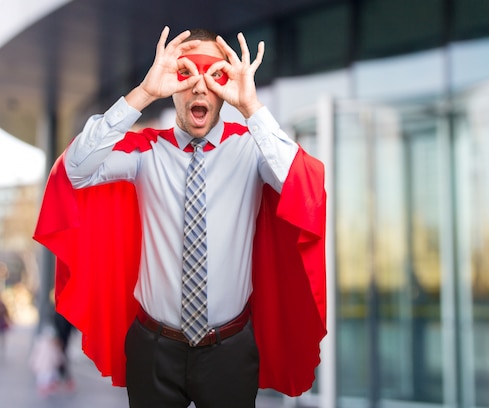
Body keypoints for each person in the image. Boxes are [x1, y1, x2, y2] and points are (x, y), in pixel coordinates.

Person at [34, 26, 327, 408]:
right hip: (153, 349)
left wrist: (252, 108)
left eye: (214, 75)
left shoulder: (251, 151)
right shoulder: (145, 153)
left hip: (229, 350)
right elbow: (73, 170)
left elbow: (303, 187)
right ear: (171, 84)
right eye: (186, 73)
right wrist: (141, 94)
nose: (201, 88)